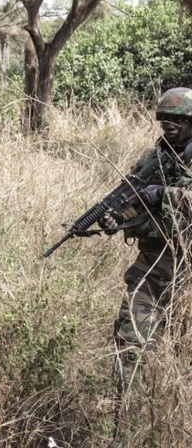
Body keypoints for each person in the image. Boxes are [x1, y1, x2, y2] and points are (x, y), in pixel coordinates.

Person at [101, 88, 192, 402]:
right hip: (150, 268)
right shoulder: (151, 158)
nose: (170, 124)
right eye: (165, 118)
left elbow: (161, 199)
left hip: (187, 271)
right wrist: (119, 221)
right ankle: (126, 422)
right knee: (130, 344)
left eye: (179, 119)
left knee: (183, 357)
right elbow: (137, 207)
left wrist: (162, 194)